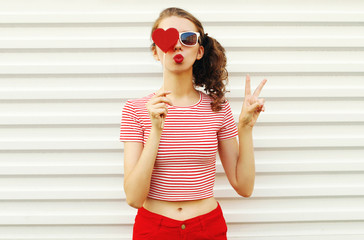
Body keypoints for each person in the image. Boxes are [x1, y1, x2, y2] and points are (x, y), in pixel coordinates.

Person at [120, 7, 267, 240]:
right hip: (153, 229)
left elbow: (244, 187)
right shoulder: (135, 110)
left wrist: (245, 128)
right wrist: (156, 129)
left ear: (199, 51)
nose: (177, 46)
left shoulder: (218, 108)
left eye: (187, 39)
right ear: (156, 52)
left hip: (207, 228)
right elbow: (134, 198)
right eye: (167, 38)